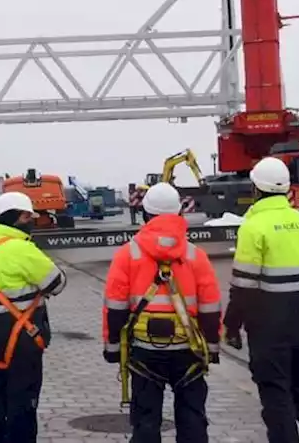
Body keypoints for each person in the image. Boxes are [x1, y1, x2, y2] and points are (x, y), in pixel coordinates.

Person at [223, 156, 299, 443]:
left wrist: (232, 326)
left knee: (277, 398)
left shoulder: (253, 227)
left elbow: (243, 287)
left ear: (255, 189)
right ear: (286, 189)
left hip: (268, 332)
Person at [102, 182, 221, 443]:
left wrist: (112, 347)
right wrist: (212, 348)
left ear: (145, 214)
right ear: (179, 213)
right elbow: (210, 307)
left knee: (145, 423)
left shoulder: (128, 254)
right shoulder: (195, 255)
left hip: (145, 352)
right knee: (192, 421)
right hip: (187, 351)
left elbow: (115, 307)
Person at [0, 191, 67, 443]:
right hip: (24, 341)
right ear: (16, 218)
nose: (31, 220)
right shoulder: (24, 250)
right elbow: (57, 283)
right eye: (27, 216)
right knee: (22, 403)